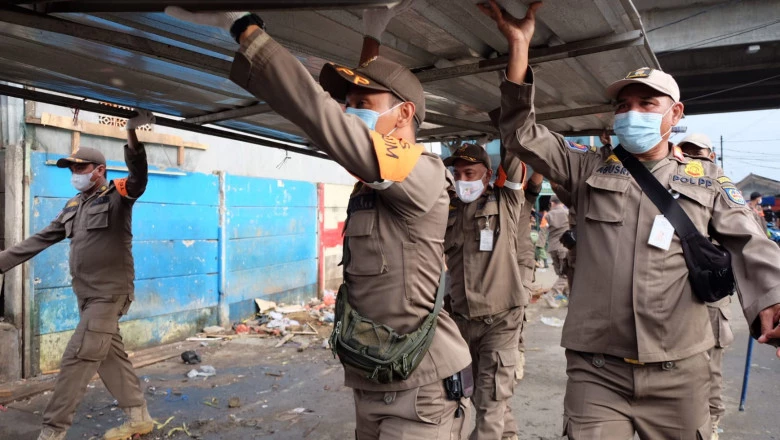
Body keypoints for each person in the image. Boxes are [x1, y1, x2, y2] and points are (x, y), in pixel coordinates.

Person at [165, 8, 472, 439]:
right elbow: (354, 120)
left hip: (420, 390)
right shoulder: (376, 180)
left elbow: (321, 116)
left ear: (404, 115)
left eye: (361, 107)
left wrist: (244, 29)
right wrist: (370, 37)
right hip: (374, 380)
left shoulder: (421, 171)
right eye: (348, 105)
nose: (350, 113)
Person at [481, 1, 780, 438]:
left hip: (681, 373)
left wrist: (773, 298)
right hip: (597, 371)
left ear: (674, 114)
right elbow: (522, 133)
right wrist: (519, 47)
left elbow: (751, 243)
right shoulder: (587, 167)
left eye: (646, 103)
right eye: (623, 105)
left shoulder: (708, 181)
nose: (632, 113)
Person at [0, 110, 154, 440]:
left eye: (81, 168)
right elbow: (40, 238)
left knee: (77, 356)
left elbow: (139, 177)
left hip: (109, 294)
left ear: (100, 170)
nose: (75, 173)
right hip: (86, 298)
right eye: (72, 169)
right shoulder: (73, 206)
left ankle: (52, 432)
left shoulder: (117, 197)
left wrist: (130, 133)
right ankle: (139, 417)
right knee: (109, 355)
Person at [443, 143, 526, 440]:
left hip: (501, 320)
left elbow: (516, 154)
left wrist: (510, 111)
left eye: (470, 173)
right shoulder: (448, 209)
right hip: (462, 321)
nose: (462, 179)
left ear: (487, 175)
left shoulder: (506, 201)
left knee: (489, 400)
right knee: (482, 394)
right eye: (457, 173)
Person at [677, 133, 735, 440]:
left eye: (698, 155)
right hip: (676, 294)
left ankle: (711, 421)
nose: (693, 161)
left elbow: (748, 241)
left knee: (710, 366)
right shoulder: (669, 188)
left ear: (711, 157)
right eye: (687, 154)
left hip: (711, 295)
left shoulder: (723, 189)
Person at [515, 171, 544, 381]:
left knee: (516, 315)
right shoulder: (488, 200)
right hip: (495, 268)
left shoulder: (524, 199)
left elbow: (535, 184)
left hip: (520, 266)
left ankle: (517, 357)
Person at [544, 195, 569, 306]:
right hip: (564, 248)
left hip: (552, 247)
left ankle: (569, 297)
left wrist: (540, 246)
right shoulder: (567, 213)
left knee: (561, 275)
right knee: (567, 274)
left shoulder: (548, 215)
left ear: (552, 203)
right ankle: (552, 294)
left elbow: (543, 230)